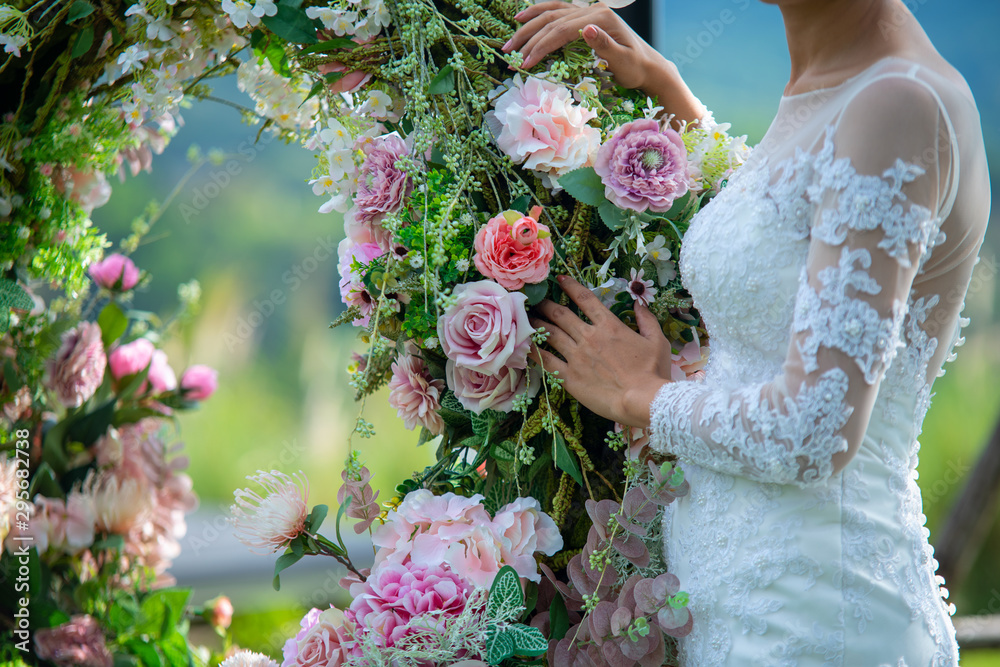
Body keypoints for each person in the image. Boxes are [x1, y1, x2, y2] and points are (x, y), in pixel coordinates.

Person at [507, 0, 991, 664]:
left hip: (814, 623)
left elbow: (816, 426)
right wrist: (667, 92)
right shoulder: (840, 79)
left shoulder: (896, 106)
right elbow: (783, 246)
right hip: (736, 607)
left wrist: (642, 396)